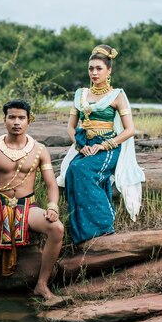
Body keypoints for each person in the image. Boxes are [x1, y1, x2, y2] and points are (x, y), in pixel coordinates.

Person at [0, 99, 64, 301]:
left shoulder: (40, 150)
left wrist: (53, 207)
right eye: (12, 117)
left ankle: (41, 284)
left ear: (29, 120)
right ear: (5, 119)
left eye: (21, 118)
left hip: (27, 207)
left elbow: (52, 185)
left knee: (57, 228)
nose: (16, 122)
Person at [57, 44, 145, 244]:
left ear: (109, 70)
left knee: (81, 169)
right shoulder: (80, 94)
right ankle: (81, 234)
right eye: (91, 69)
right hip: (86, 144)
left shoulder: (117, 96)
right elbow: (71, 128)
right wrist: (80, 146)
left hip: (108, 147)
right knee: (72, 171)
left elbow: (130, 130)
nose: (94, 73)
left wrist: (105, 145)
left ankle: (104, 226)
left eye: (99, 68)